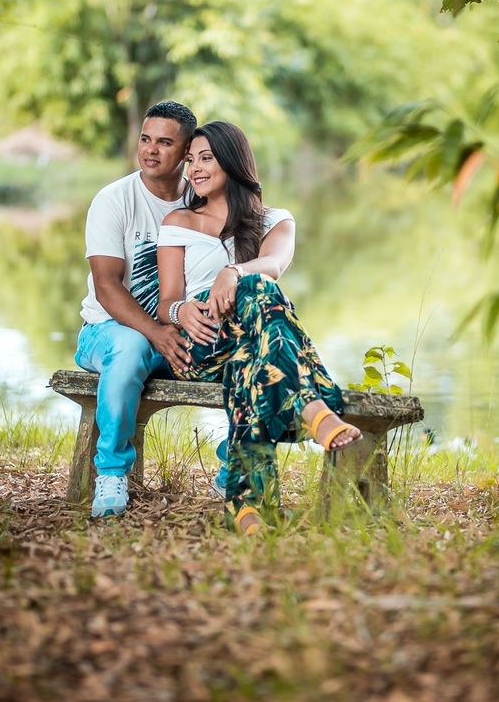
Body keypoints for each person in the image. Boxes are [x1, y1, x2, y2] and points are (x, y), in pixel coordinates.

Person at [156, 120, 361, 535]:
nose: (194, 168)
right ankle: (311, 407)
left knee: (251, 361)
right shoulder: (177, 220)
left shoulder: (276, 220)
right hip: (201, 344)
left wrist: (231, 272)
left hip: (250, 342)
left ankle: (248, 509)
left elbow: (275, 266)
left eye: (206, 158)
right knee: (259, 294)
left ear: (232, 163)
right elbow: (166, 301)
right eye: (191, 160)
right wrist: (181, 313)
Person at [74, 100, 197, 518]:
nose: (150, 150)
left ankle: (235, 471)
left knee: (246, 349)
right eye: (145, 139)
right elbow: (107, 287)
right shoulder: (114, 200)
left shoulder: (202, 201)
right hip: (106, 333)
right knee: (129, 346)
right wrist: (157, 334)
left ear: (185, 152)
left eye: (165, 142)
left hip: (173, 336)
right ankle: (111, 473)